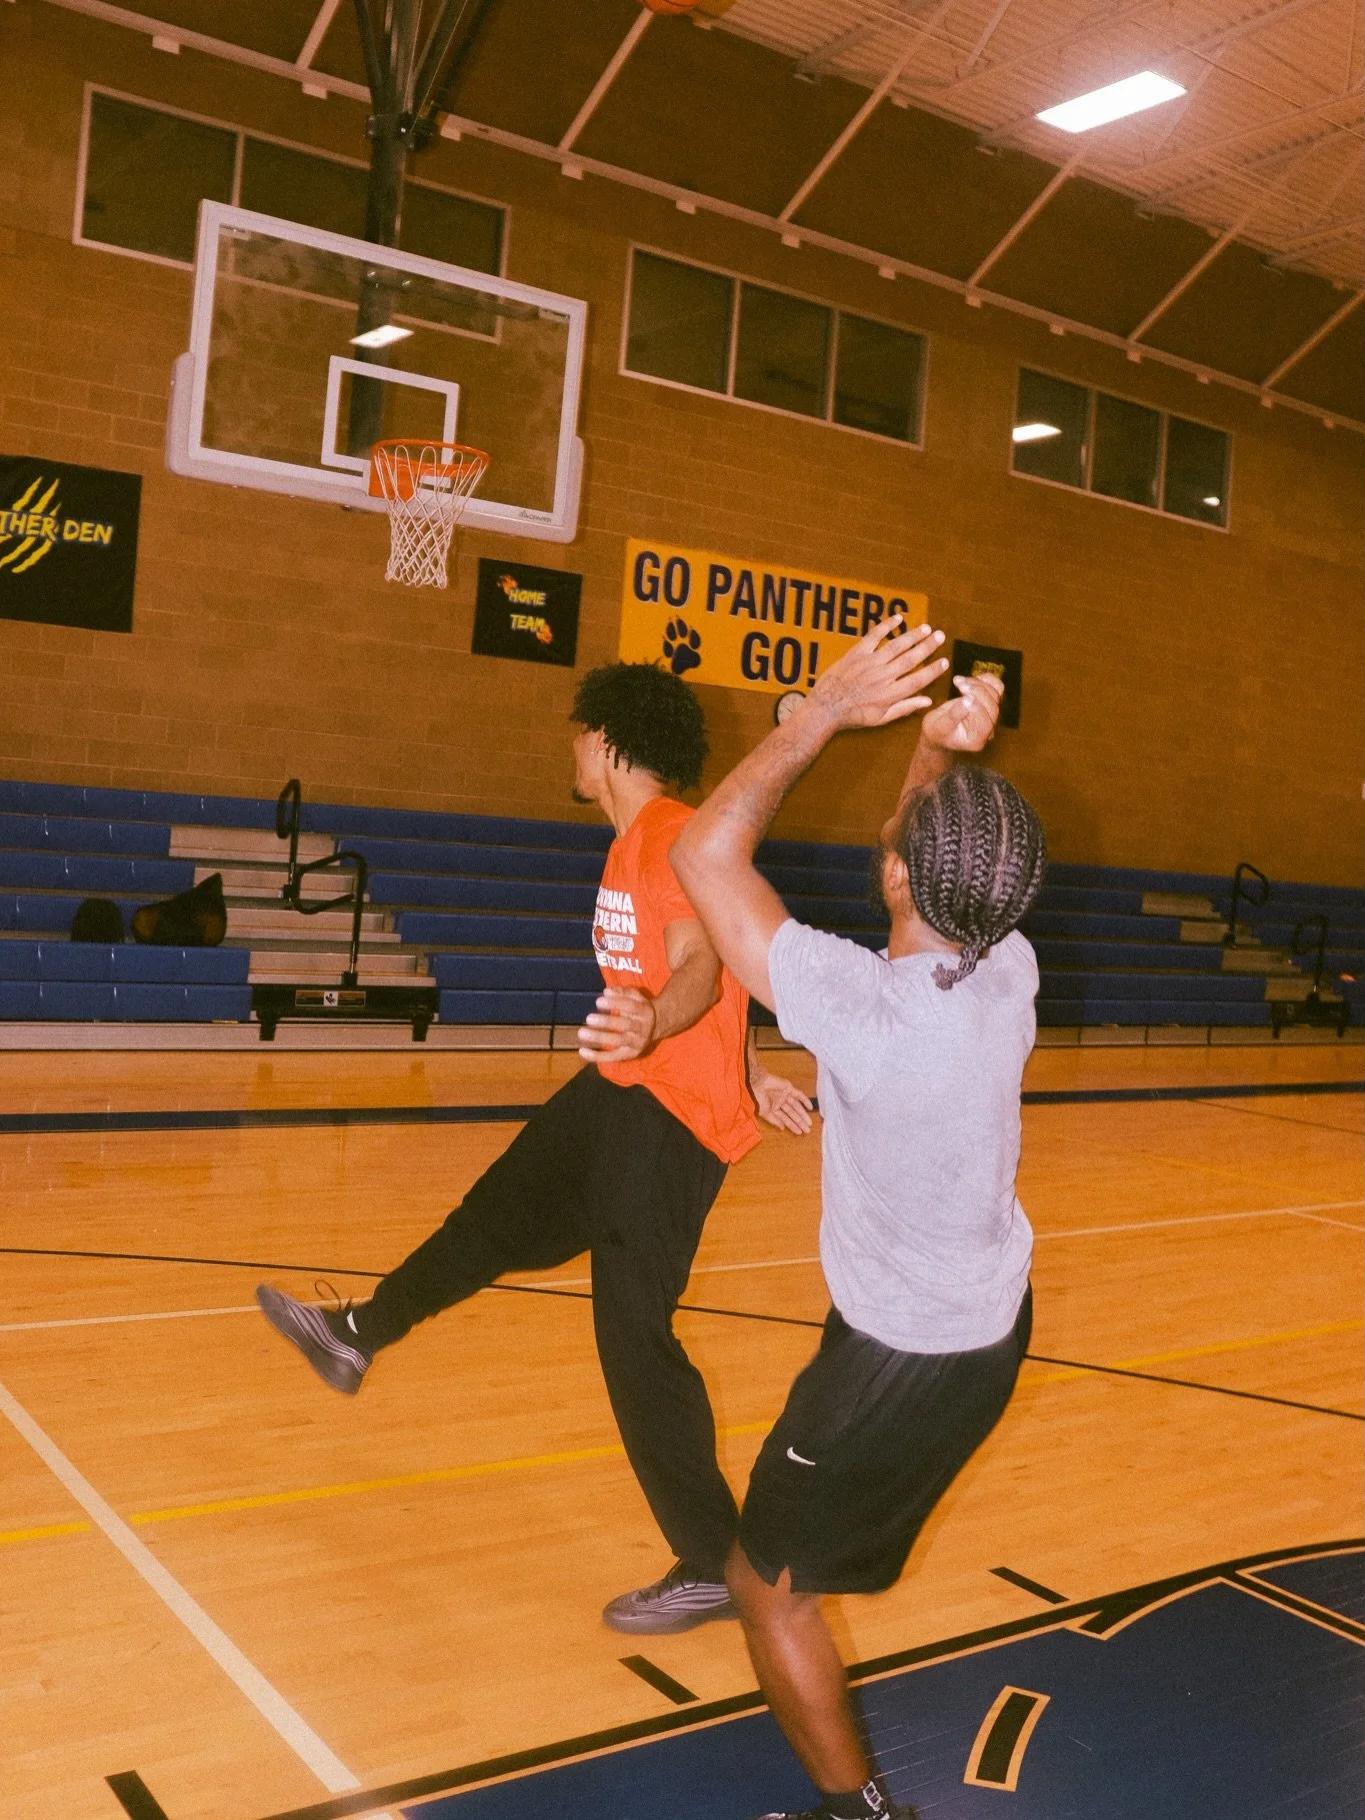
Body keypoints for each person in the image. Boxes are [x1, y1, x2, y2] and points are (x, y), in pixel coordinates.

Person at [255, 661, 812, 1634]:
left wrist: (652, 1024)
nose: (570, 744)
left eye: (576, 730)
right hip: (626, 1094)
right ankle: (356, 1335)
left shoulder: (669, 838)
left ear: (605, 742)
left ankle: (715, 1561)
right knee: (492, 1217)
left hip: (665, 1125)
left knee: (633, 1337)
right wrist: (748, 1064)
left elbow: (697, 963)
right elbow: (713, 976)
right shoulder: (643, 842)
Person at [670, 618, 1046, 1820]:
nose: (894, 836)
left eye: (899, 838)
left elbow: (707, 850)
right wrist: (935, 746)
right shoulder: (1007, 963)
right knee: (794, 1555)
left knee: (763, 1581)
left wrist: (822, 709)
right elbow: (927, 862)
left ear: (900, 878)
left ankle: (858, 1813)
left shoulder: (867, 1013)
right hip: (980, 1318)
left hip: (906, 1354)